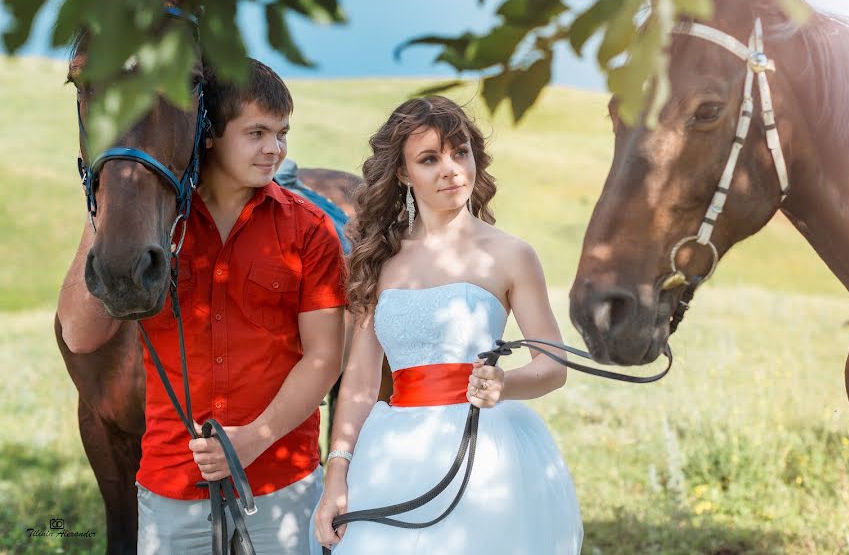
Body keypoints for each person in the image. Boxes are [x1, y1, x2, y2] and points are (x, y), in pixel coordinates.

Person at [59, 58, 347, 554]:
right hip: (172, 484)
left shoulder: (307, 229)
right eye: (256, 133)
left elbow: (324, 356)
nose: (273, 149)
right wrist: (108, 200)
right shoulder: (164, 230)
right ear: (209, 133)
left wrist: (254, 439)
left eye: (282, 134)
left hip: (282, 479)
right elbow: (81, 336)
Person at [310, 95, 583, 554]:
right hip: (392, 454)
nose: (451, 169)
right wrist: (337, 471)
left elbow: (553, 364)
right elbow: (358, 383)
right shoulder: (381, 261)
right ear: (402, 173)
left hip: (486, 452)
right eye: (429, 159)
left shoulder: (510, 254)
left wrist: (505, 384)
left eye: (460, 152)